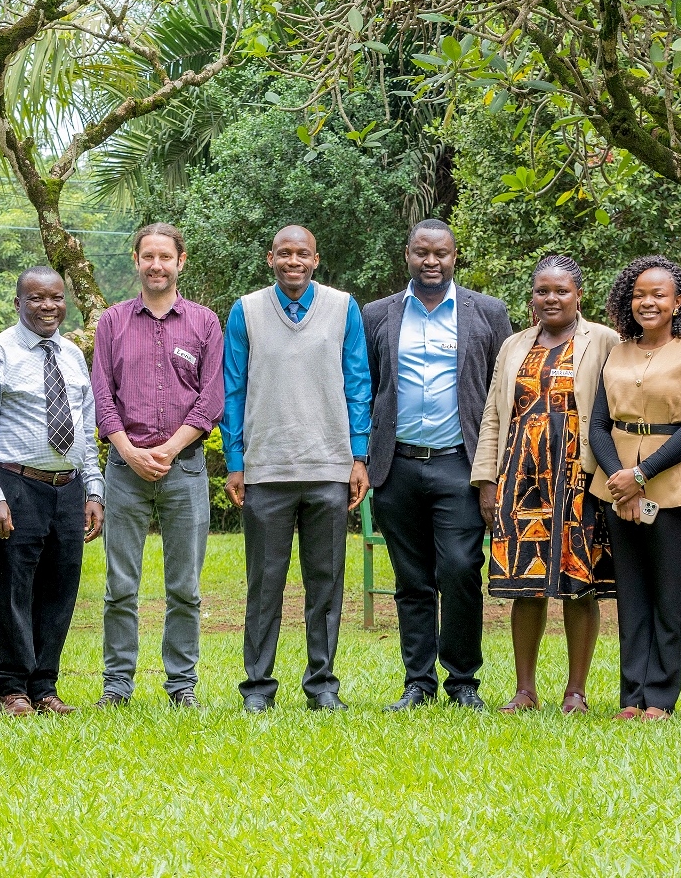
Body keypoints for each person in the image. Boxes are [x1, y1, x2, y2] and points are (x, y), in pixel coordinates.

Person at [364, 220, 511, 712]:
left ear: (455, 256)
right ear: (407, 254)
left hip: (460, 466)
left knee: (461, 569)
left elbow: (503, 392)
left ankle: (463, 679)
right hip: (397, 465)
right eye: (422, 253)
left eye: (441, 254)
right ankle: (418, 682)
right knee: (412, 578)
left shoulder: (487, 313)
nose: (432, 262)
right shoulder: (378, 314)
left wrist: (496, 468)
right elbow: (366, 388)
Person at [223, 225, 371, 713]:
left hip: (329, 466)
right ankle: (258, 687)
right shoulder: (246, 311)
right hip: (265, 469)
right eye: (283, 253)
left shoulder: (342, 307)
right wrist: (236, 462)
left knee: (325, 582)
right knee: (264, 584)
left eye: (301, 254)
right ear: (270, 258)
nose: (293, 261)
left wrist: (358, 456)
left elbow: (357, 383)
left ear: (315, 259)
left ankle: (322, 684)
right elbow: (233, 389)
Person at [472, 254, 619, 715]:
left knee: (580, 582)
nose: (551, 298)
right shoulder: (514, 345)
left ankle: (576, 691)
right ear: (532, 296)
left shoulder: (605, 341)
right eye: (542, 290)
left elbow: (615, 407)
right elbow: (495, 413)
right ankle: (524, 689)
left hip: (580, 475)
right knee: (526, 582)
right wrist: (486, 480)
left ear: (579, 294)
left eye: (561, 290)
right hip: (521, 476)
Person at [0, 267, 105, 716]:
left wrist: (94, 490)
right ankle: (12, 687)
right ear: (18, 302)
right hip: (16, 485)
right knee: (12, 589)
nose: (48, 306)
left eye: (56, 298)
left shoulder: (72, 356)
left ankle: (45, 687)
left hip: (67, 487)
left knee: (60, 589)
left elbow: (85, 427)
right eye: (37, 298)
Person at [92, 224, 224, 709]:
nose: (156, 265)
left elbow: (211, 399)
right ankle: (117, 685)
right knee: (120, 587)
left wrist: (170, 449)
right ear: (136, 260)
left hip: (185, 469)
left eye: (165, 256)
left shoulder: (206, 323)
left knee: (184, 588)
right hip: (125, 471)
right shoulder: (112, 322)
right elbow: (102, 396)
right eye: (148, 256)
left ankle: (181, 686)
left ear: (180, 261)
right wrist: (127, 451)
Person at [588, 256, 681, 721]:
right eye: (640, 294)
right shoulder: (615, 351)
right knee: (631, 593)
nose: (648, 302)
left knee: (666, 593)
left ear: (678, 301)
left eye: (658, 294)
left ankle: (659, 696)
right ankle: (631, 695)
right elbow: (598, 425)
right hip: (615, 486)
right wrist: (620, 480)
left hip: (673, 488)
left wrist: (640, 477)